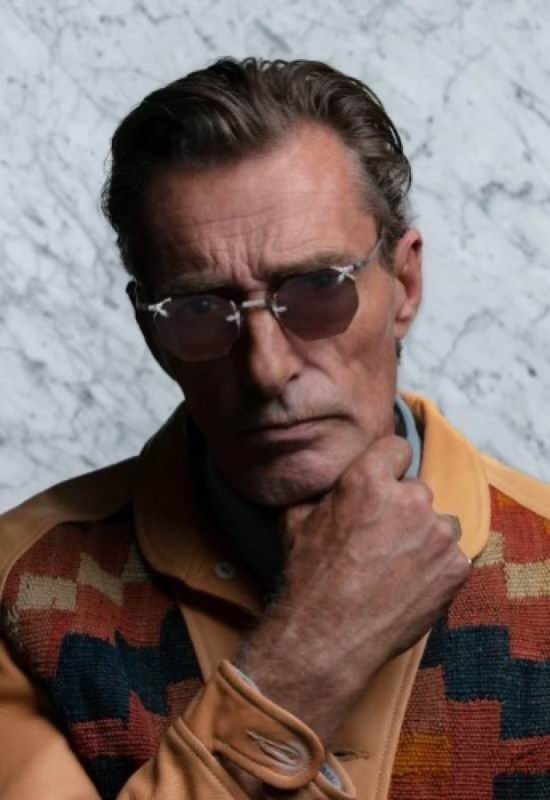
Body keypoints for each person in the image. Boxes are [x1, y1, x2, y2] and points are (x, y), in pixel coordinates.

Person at [1, 57, 549, 800]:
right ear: (151, 331)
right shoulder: (22, 590)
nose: (267, 369)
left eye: (318, 289)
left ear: (405, 285)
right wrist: (303, 664)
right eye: (200, 310)